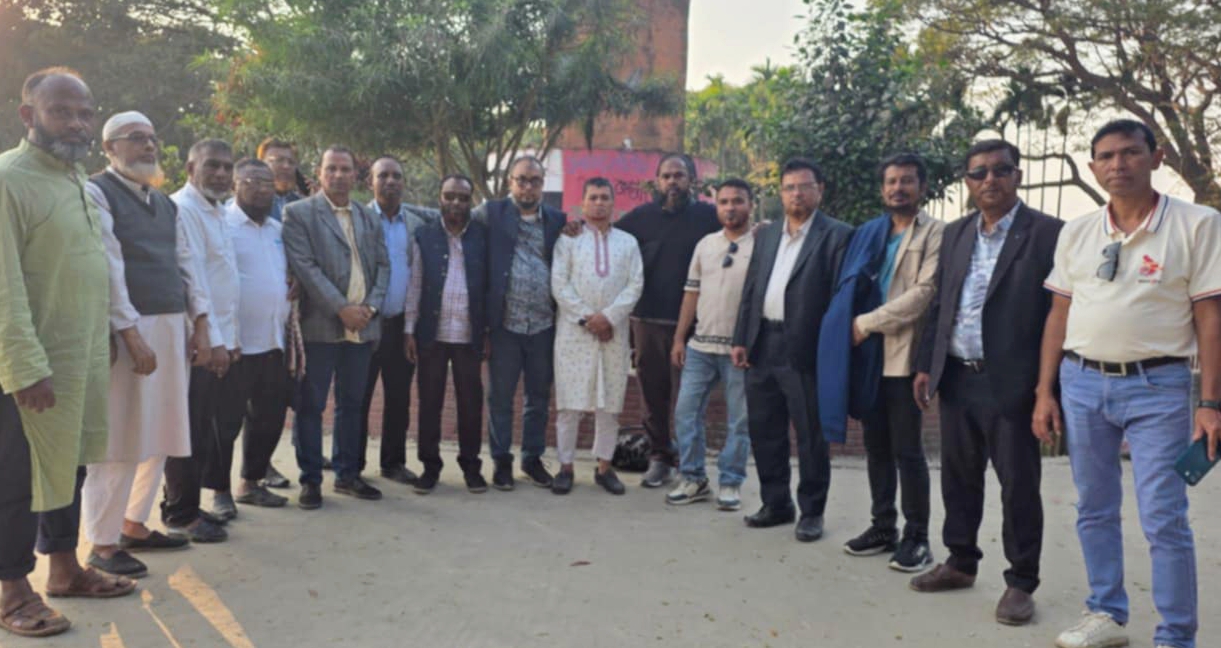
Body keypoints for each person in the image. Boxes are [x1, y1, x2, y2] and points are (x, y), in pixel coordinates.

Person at [1036, 119, 1221, 648]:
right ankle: (1106, 613)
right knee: (1093, 508)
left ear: (1156, 157)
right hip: (1080, 383)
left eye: (1131, 152)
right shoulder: (1078, 232)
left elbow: (1210, 316)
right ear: (1093, 167)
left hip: (1157, 386)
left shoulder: (1198, 224)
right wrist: (1045, 391)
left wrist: (1211, 402)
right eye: (1106, 156)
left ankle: (1176, 635)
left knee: (1163, 517)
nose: (1118, 164)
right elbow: (1059, 313)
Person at [0, 67, 135, 639]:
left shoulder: (76, 178)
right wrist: (25, 367)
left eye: (84, 113)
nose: (77, 123)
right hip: (27, 368)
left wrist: (102, 336)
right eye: (61, 111)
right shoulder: (8, 179)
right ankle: (11, 590)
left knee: (70, 466)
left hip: (78, 359)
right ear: (28, 115)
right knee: (15, 479)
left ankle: (64, 569)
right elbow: (3, 285)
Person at [909, 139, 1062, 627]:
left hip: (1012, 382)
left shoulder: (1048, 233)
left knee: (1018, 484)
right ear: (967, 182)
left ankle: (1021, 581)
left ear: (1018, 175)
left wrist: (1047, 389)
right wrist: (926, 364)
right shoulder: (956, 233)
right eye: (978, 173)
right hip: (958, 375)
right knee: (958, 476)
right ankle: (960, 561)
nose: (989, 180)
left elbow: (1059, 314)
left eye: (1000, 170)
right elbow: (941, 303)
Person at [83, 111, 215, 578]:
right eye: (135, 138)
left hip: (171, 328)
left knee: (161, 432)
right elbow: (109, 267)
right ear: (109, 148)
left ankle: (133, 525)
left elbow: (187, 264)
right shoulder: (97, 192)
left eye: (151, 138)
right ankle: (102, 544)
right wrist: (130, 332)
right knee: (120, 437)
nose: (148, 146)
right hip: (128, 332)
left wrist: (201, 325)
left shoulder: (164, 203)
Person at [730, 158, 853, 543]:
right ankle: (776, 503)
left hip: (806, 348)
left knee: (810, 434)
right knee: (764, 429)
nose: (796, 194)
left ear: (820, 190)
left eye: (804, 186)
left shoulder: (837, 236)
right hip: (762, 343)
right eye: (789, 188)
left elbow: (840, 298)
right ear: (781, 193)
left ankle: (812, 511)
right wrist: (741, 338)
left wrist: (829, 351)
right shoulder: (766, 235)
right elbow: (751, 289)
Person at [841, 154, 943, 573]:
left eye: (906, 181)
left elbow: (924, 294)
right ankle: (883, 526)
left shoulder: (935, 233)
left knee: (907, 450)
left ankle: (917, 537)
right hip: (867, 356)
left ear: (922, 187)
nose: (898, 188)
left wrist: (864, 323)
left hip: (902, 355)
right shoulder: (870, 233)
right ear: (882, 189)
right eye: (891, 181)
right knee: (876, 447)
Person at [282, 146, 390, 509]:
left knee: (352, 403)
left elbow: (384, 266)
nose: (339, 175)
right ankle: (311, 480)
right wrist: (341, 308)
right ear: (320, 173)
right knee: (311, 405)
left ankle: (347, 475)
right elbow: (305, 267)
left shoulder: (368, 216)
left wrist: (370, 308)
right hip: (320, 326)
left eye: (346, 169)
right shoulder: (299, 214)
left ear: (356, 176)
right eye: (332, 169)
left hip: (363, 327)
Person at [615, 153, 721, 487]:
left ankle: (690, 463)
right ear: (657, 181)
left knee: (690, 400)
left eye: (679, 175)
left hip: (695, 326)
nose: (672, 182)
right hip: (648, 322)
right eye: (666, 176)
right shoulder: (640, 219)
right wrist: (574, 228)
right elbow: (606, 238)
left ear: (692, 180)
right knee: (653, 396)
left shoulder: (709, 217)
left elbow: (738, 233)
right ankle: (660, 457)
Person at [160, 139, 239, 543]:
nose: (221, 174)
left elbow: (224, 280)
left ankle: (186, 503)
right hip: (197, 341)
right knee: (186, 428)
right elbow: (194, 281)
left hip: (217, 339)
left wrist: (230, 338)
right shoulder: (184, 209)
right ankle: (181, 514)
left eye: (227, 167)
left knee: (202, 426)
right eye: (212, 166)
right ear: (191, 169)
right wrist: (214, 340)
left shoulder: (219, 211)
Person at [665, 178, 755, 511]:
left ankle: (731, 482)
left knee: (740, 420)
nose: (730, 207)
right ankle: (693, 478)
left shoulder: (762, 245)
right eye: (724, 202)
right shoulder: (705, 245)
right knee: (686, 412)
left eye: (738, 201)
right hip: (700, 347)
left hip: (739, 350)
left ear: (750, 205)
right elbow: (691, 293)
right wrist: (679, 338)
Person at [550, 177, 643, 495]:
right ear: (583, 203)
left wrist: (609, 318)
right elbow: (559, 284)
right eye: (593, 197)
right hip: (574, 333)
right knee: (569, 404)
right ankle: (565, 467)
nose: (599, 203)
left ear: (613, 203)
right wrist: (589, 319)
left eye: (605, 197)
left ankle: (604, 467)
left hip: (613, 334)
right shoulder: (568, 241)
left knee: (610, 405)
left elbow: (635, 284)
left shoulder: (628, 243)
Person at [478, 156, 566, 491]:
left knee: (538, 398)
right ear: (509, 182)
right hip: (505, 326)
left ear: (543, 184)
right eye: (521, 180)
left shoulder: (557, 219)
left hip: (544, 325)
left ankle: (532, 459)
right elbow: (450, 216)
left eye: (534, 181)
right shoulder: (491, 213)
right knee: (500, 398)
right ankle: (501, 462)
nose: (528, 187)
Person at [404, 175, 489, 494]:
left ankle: (471, 467)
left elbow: (492, 287)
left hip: (469, 335)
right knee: (429, 403)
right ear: (439, 198)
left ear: (471, 202)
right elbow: (415, 284)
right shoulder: (424, 235)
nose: (455, 203)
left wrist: (489, 331)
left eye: (463, 198)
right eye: (449, 196)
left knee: (471, 404)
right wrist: (409, 330)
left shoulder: (482, 237)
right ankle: (430, 467)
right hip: (432, 334)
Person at [226, 159, 293, 509]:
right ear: (234, 185)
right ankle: (219, 493)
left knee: (268, 419)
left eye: (268, 183)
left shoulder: (276, 230)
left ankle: (249, 483)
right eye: (253, 181)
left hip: (272, 342)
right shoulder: (223, 225)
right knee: (225, 424)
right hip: (235, 344)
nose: (263, 189)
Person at [358, 156, 426, 486]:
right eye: (383, 175)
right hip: (364, 324)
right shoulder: (358, 219)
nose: (390, 181)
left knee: (399, 399)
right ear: (370, 182)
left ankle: (393, 463)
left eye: (396, 176)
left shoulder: (415, 223)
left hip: (400, 326)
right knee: (358, 398)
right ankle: (352, 465)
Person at [257, 137, 303, 223]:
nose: (286, 166)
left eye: (291, 162)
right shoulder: (249, 204)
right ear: (261, 164)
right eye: (279, 160)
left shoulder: (303, 205)